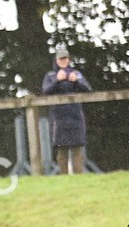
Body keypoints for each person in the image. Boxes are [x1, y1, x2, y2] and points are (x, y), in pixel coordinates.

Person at [42, 47, 92, 175]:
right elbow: (45, 92)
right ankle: (64, 178)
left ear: (69, 59)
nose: (63, 61)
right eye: (61, 58)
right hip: (59, 118)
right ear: (56, 60)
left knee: (77, 149)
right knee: (61, 150)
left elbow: (87, 89)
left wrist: (76, 82)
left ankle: (78, 177)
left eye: (65, 58)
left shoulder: (77, 74)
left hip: (75, 116)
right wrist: (57, 81)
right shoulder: (50, 75)